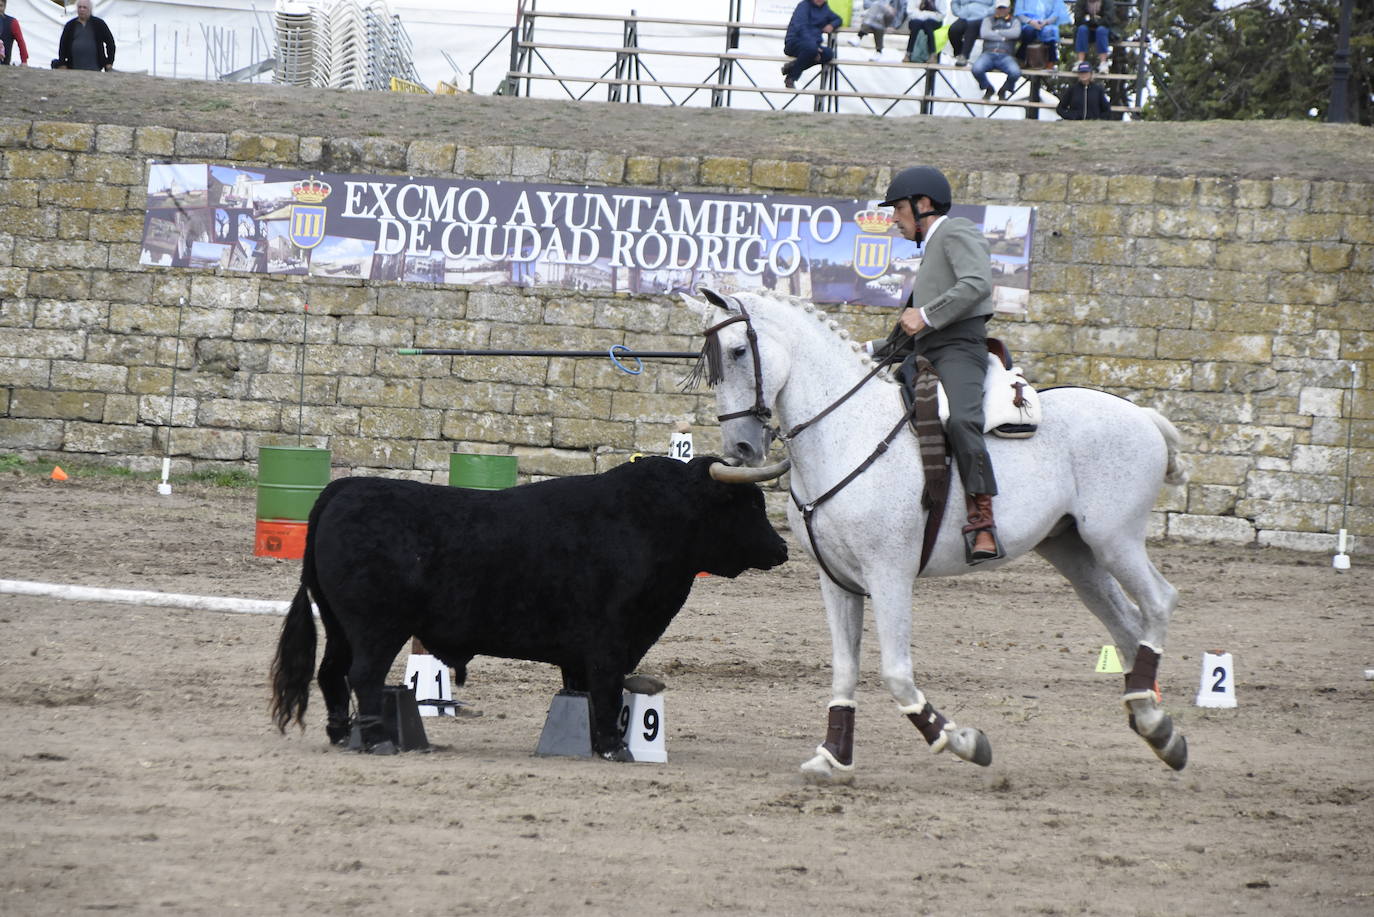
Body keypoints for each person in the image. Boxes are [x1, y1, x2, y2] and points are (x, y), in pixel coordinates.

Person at [870, 166, 1002, 563]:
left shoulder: (956, 230)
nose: (893, 219)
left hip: (960, 349)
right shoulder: (930, 253)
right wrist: (864, 349)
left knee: (962, 419)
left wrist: (926, 314)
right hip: (925, 351)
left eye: (897, 209)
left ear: (922, 204)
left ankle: (982, 519)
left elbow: (977, 282)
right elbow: (906, 333)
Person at [783, 0, 842, 89]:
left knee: (828, 53)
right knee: (811, 49)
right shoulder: (803, 6)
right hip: (794, 42)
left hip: (813, 45)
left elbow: (838, 19)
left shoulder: (825, 9)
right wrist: (814, 46)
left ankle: (792, 67)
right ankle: (791, 78)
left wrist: (832, 25)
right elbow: (801, 27)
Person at [971, 1, 1022, 101]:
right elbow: (985, 33)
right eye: (999, 8)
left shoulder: (1015, 20)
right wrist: (1004, 37)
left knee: (1015, 72)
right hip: (988, 53)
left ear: (1009, 8)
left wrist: (996, 32)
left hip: (1006, 55)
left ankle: (1004, 89)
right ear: (995, 8)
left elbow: (1015, 33)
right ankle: (988, 88)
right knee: (976, 69)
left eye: (1004, 8)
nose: (1001, 10)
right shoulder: (988, 19)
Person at [56, 0, 115, 72]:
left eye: (84, 7)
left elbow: (110, 43)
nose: (82, 10)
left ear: (90, 9)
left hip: (95, 69)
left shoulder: (99, 24)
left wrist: (109, 62)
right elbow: (63, 45)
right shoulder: (70, 25)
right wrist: (62, 63)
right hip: (73, 68)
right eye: (79, 7)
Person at [1013, 0, 1067, 66]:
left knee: (1050, 32)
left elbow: (1056, 13)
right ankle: (1021, 58)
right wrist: (1031, 21)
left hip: (1046, 24)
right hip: (1028, 23)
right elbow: (1019, 13)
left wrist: (1046, 22)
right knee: (1028, 31)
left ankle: (1051, 61)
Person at [946, 0, 994, 66]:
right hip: (965, 15)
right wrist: (958, 12)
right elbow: (954, 2)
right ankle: (959, 53)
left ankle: (964, 56)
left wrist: (985, 12)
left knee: (971, 27)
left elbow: (997, 4)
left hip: (983, 17)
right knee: (953, 30)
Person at [1073, 0, 1115, 73]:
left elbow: (1109, 19)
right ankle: (1080, 61)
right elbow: (1078, 19)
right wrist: (1091, 22)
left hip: (1103, 30)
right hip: (1087, 29)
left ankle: (1103, 63)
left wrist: (1096, 22)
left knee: (1101, 30)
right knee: (1082, 29)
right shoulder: (1081, 2)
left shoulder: (1108, 2)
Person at [0, 0, 29, 67]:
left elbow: (20, 42)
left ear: (4, 7)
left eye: (0, 6)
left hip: (4, 65)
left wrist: (24, 61)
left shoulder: (12, 22)